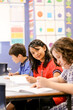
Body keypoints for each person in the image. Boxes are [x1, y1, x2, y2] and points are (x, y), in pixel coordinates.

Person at [33, 37, 73, 110]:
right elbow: (59, 79)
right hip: (69, 104)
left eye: (59, 57)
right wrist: (43, 81)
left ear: (69, 53)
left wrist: (49, 84)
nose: (58, 62)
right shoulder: (68, 67)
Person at [25, 39, 66, 109]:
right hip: (41, 93)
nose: (36, 54)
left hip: (55, 96)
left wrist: (36, 80)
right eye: (33, 53)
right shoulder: (37, 65)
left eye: (37, 50)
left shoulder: (54, 62)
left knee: (28, 103)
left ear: (44, 48)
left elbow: (58, 80)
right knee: (21, 101)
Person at [6, 43, 33, 110]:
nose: (12, 59)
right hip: (22, 88)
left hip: (28, 90)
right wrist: (13, 74)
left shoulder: (29, 62)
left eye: (12, 57)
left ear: (19, 56)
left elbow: (26, 75)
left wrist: (12, 78)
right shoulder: (22, 63)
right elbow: (19, 72)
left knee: (10, 106)